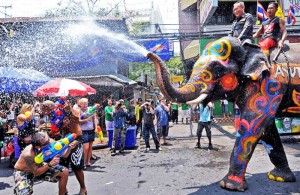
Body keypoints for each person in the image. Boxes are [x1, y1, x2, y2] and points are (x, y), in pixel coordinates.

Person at [59, 100, 87, 195]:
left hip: (76, 139)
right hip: (64, 140)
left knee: (76, 166)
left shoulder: (76, 109)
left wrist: (70, 109)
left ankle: (83, 188)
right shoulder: (59, 111)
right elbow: (57, 126)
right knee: (63, 167)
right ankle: (63, 190)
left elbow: (77, 119)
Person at [78, 98, 97, 167]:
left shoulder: (91, 109)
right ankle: (83, 162)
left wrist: (96, 127)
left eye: (86, 103)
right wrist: (86, 119)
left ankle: (88, 161)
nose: (85, 105)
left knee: (90, 147)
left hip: (91, 129)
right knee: (86, 147)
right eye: (83, 104)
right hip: (84, 130)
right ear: (80, 104)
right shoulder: (79, 111)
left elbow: (95, 118)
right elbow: (79, 121)